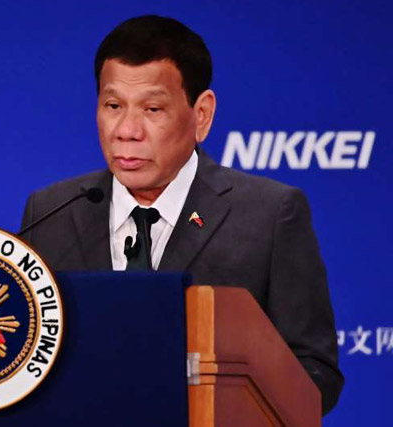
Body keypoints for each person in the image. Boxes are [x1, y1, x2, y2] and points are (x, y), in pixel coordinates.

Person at [21, 15, 343, 414]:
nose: (127, 130)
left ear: (201, 114)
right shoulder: (50, 211)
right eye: (113, 106)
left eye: (153, 108)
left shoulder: (269, 215)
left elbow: (315, 374)